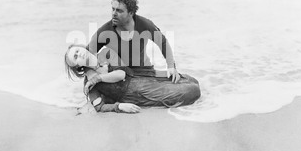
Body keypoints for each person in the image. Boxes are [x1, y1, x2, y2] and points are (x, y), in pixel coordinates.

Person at [65, 44, 201, 114]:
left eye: (77, 51)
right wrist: (120, 106)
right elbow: (100, 107)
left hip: (140, 77)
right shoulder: (89, 85)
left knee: (191, 80)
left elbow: (121, 74)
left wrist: (97, 78)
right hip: (136, 94)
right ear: (77, 66)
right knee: (193, 91)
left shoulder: (105, 53)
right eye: (75, 57)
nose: (79, 54)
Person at [88, 0, 181, 83]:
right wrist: (91, 73)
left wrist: (171, 67)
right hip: (119, 74)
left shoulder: (144, 25)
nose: (114, 13)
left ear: (131, 13)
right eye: (113, 9)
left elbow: (162, 42)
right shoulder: (104, 32)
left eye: (119, 10)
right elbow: (87, 52)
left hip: (144, 71)